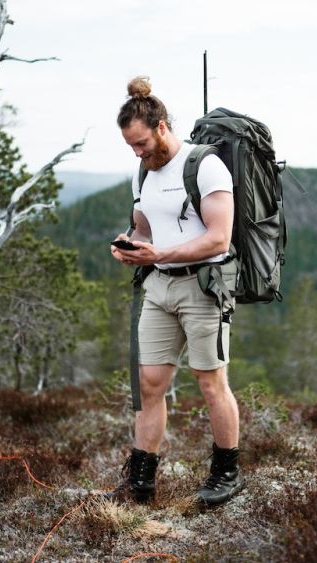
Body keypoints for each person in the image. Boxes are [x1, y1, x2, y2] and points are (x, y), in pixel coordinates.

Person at [108, 76, 244, 507]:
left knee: (210, 382)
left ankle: (227, 474)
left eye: (142, 143)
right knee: (150, 384)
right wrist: (128, 244)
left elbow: (219, 239)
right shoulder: (142, 172)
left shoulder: (206, 165)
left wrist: (159, 253)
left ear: (162, 126)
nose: (138, 152)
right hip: (159, 287)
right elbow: (143, 226)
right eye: (131, 146)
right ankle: (141, 481)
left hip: (203, 287)